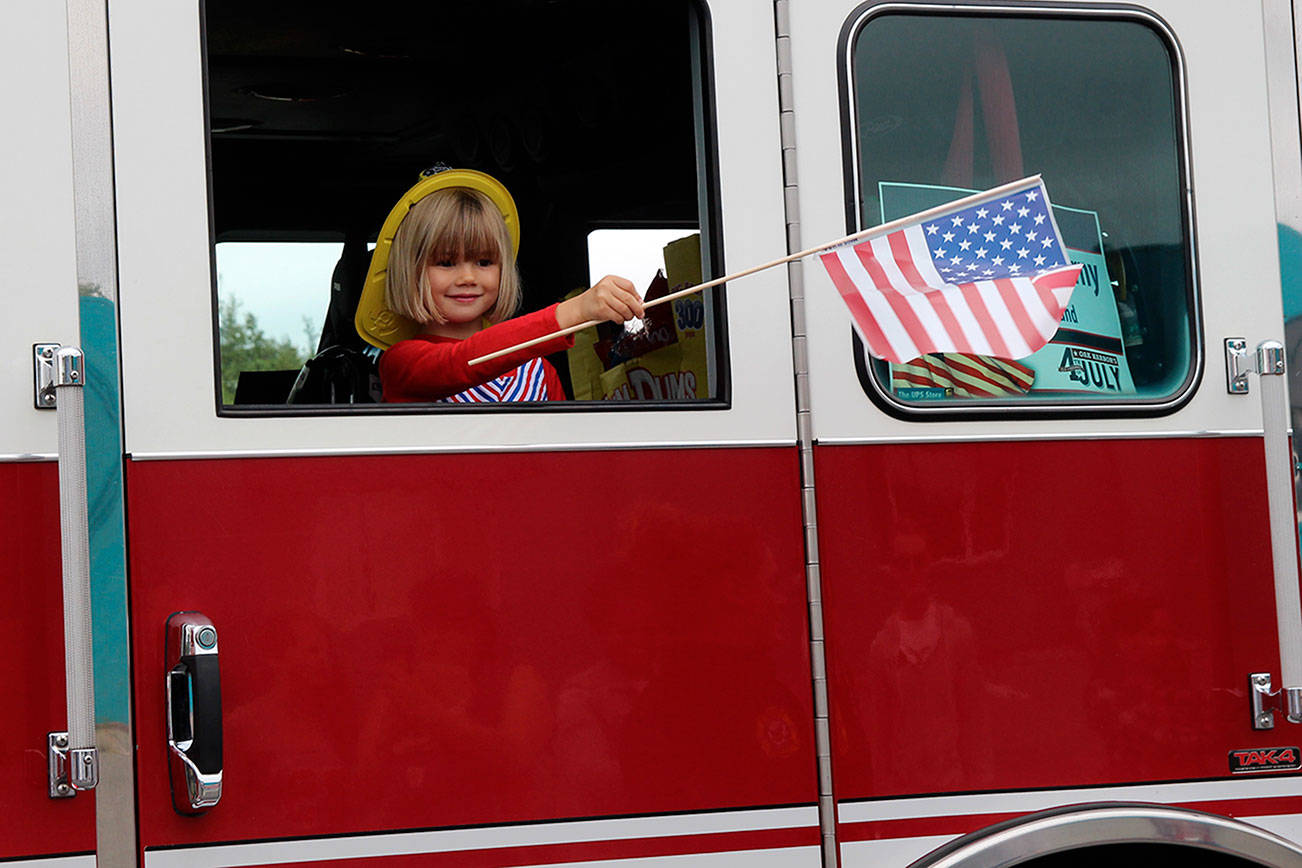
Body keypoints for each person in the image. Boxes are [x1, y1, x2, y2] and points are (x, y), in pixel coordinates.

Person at [372, 174, 644, 403]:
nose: (468, 276)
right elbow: (459, 363)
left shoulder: (538, 371)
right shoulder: (400, 362)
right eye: (446, 262)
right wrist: (574, 311)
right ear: (410, 272)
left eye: (484, 261)